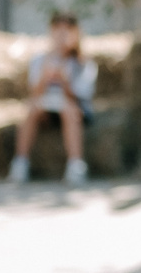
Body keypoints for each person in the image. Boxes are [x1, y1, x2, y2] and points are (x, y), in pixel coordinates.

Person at [11, 11, 96, 184]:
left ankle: (76, 164)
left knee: (69, 110)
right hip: (46, 108)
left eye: (67, 30)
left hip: (73, 108)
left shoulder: (83, 64)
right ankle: (20, 162)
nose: (62, 35)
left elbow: (81, 97)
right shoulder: (39, 61)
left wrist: (64, 82)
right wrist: (45, 78)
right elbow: (33, 93)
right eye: (58, 30)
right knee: (31, 109)